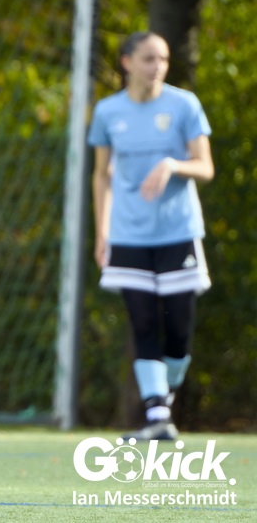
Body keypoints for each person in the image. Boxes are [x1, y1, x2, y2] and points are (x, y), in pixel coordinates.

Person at [88, 30, 214, 442]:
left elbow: (205, 167)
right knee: (142, 322)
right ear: (127, 62)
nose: (157, 66)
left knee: (178, 331)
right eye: (148, 59)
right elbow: (101, 175)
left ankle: (165, 392)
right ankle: (157, 413)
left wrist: (172, 165)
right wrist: (102, 231)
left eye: (163, 59)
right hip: (128, 234)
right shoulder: (108, 112)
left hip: (178, 232)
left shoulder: (184, 105)